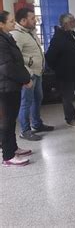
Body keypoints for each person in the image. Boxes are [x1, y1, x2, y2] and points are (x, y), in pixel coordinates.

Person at [11, 8, 54, 141]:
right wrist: (27, 74)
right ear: (23, 20)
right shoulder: (17, 35)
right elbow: (15, 58)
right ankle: (25, 130)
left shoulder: (30, 32)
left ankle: (37, 124)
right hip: (28, 76)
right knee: (26, 103)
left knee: (37, 99)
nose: (35, 20)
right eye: (32, 18)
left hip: (37, 73)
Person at [45, 13, 75, 127]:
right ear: (66, 23)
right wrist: (60, 69)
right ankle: (70, 119)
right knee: (68, 99)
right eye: (73, 21)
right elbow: (50, 58)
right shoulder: (57, 39)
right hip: (66, 76)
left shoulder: (74, 35)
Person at [0, 10, 33, 166]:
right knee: (6, 122)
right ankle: (8, 156)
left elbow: (16, 62)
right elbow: (7, 67)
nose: (14, 24)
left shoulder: (7, 37)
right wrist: (25, 79)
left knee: (11, 120)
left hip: (11, 86)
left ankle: (13, 148)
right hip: (5, 88)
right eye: (11, 21)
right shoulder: (1, 41)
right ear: (1, 24)